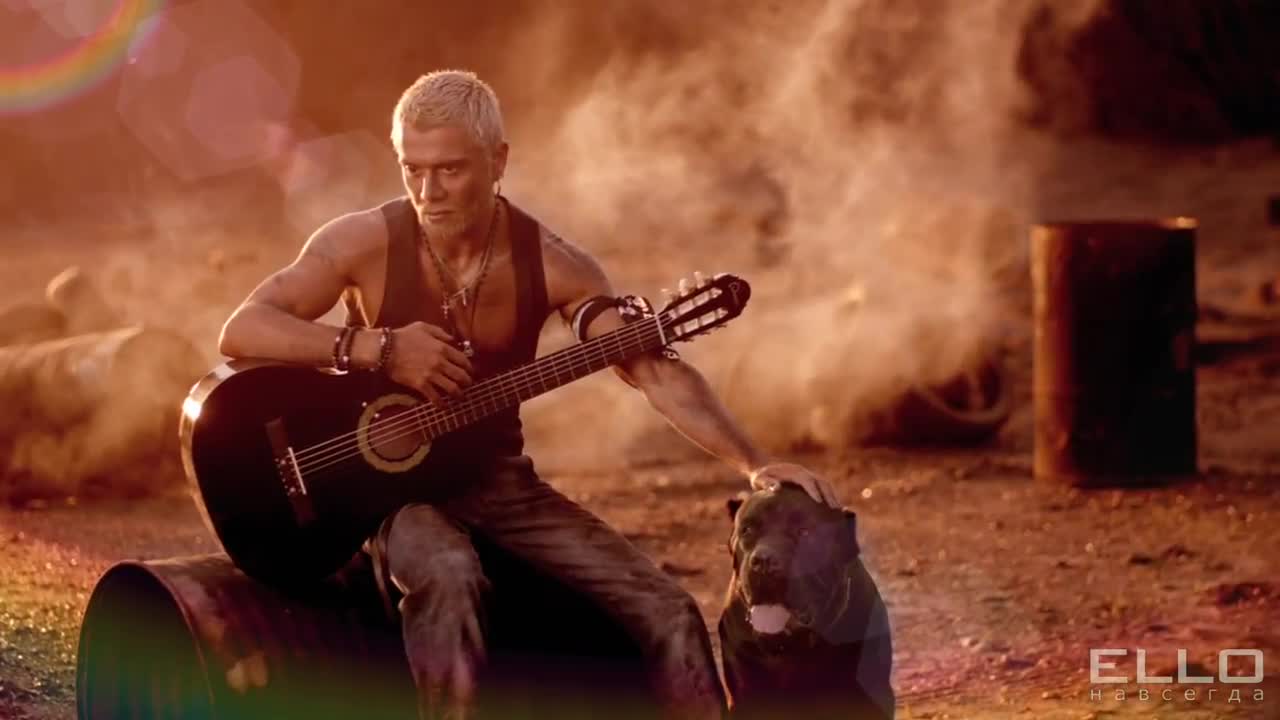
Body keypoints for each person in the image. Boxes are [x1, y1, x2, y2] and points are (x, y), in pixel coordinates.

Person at [218, 69, 841, 720]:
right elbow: (243, 328)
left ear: (498, 161)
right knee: (449, 575)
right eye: (412, 170)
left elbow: (653, 372)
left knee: (670, 611)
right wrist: (377, 348)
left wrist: (753, 464)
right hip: (386, 492)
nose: (428, 192)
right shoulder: (362, 242)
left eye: (450, 170)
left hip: (498, 483)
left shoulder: (552, 263)